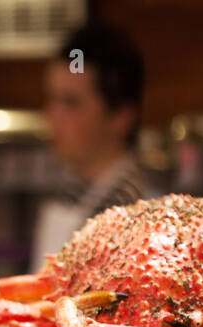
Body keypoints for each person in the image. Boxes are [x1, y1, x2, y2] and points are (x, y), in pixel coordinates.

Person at [31, 24, 153, 269]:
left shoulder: (137, 215)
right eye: (51, 99)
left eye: (70, 103)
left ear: (122, 115)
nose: (51, 116)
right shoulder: (67, 192)